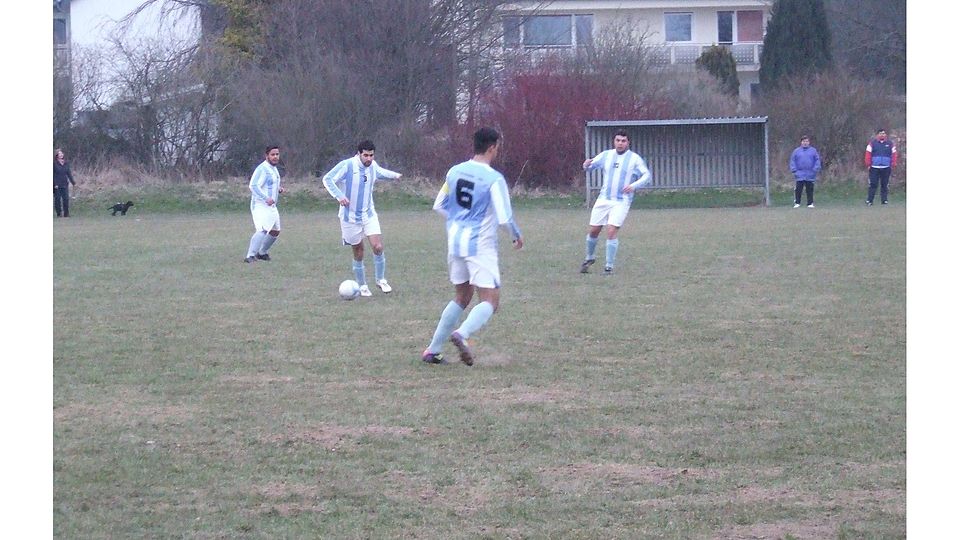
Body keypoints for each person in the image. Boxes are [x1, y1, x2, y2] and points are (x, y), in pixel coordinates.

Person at [421, 127, 523, 366]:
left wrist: (457, 222)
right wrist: (516, 236)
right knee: (490, 300)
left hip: (455, 241)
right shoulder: (493, 179)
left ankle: (433, 350)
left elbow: (439, 205)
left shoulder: (454, 171)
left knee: (462, 296)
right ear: (492, 147)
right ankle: (462, 334)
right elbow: (504, 218)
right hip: (479, 245)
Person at [322, 140, 402, 296]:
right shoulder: (347, 165)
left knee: (377, 246)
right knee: (358, 251)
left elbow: (381, 173)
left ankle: (381, 280)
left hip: (368, 214)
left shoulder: (372, 166)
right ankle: (362, 285)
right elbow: (328, 179)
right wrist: (339, 196)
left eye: (371, 155)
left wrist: (395, 176)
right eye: (365, 155)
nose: (369, 159)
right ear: (358, 154)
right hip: (349, 217)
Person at [579, 129, 651, 274]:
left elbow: (647, 175)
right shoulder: (606, 155)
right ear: (614, 141)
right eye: (618, 140)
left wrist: (633, 186)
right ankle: (589, 257)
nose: (620, 143)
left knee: (611, 231)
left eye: (623, 141)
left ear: (628, 143)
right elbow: (590, 167)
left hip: (621, 201)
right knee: (594, 230)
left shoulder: (634, 159)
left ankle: (609, 266)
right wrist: (586, 165)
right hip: (604, 199)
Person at [243, 146, 285, 263]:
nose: (275, 157)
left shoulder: (273, 168)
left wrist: (278, 189)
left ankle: (261, 253)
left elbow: (269, 184)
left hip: (271, 206)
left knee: (275, 231)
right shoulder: (262, 169)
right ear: (267, 156)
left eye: (277, 154)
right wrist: (266, 198)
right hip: (260, 205)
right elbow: (253, 186)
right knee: (262, 230)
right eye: (273, 154)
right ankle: (250, 256)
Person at [864, 128, 897, 206]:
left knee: (884, 185)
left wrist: (893, 164)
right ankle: (870, 200)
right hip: (874, 167)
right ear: (877, 135)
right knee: (873, 184)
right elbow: (868, 154)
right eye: (881, 133)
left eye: (884, 133)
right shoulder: (872, 144)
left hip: (886, 167)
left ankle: (884, 201)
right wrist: (868, 164)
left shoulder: (890, 144)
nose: (882, 135)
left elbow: (894, 154)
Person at [789, 135, 822, 208]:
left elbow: (817, 160)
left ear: (809, 142)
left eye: (806, 141)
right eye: (804, 141)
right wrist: (794, 170)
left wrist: (815, 169)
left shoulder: (813, 151)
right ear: (801, 142)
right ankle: (797, 203)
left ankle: (810, 203)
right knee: (798, 189)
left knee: (809, 189)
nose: (805, 143)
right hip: (799, 174)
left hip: (810, 173)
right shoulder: (796, 151)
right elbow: (792, 160)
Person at [53, 149, 76, 217]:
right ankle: (59, 213)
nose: (61, 154)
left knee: (66, 199)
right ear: (57, 155)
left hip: (65, 184)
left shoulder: (66, 163)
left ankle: (66, 213)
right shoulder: (54, 164)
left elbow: (69, 173)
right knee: (57, 199)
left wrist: (73, 182)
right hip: (57, 185)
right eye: (60, 153)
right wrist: (55, 184)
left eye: (62, 153)